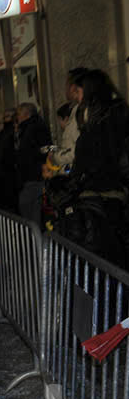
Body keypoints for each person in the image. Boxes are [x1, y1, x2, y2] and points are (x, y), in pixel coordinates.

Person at [58, 69, 129, 267]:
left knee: (101, 260)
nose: (77, 98)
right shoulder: (119, 116)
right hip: (116, 198)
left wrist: (70, 183)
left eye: (79, 93)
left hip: (95, 202)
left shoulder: (94, 130)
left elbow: (81, 167)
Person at [15, 102, 52, 227]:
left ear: (27, 114)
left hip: (34, 177)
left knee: (31, 213)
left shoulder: (35, 128)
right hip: (31, 176)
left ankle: (36, 243)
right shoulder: (27, 128)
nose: (17, 117)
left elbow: (43, 149)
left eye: (19, 114)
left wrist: (38, 165)